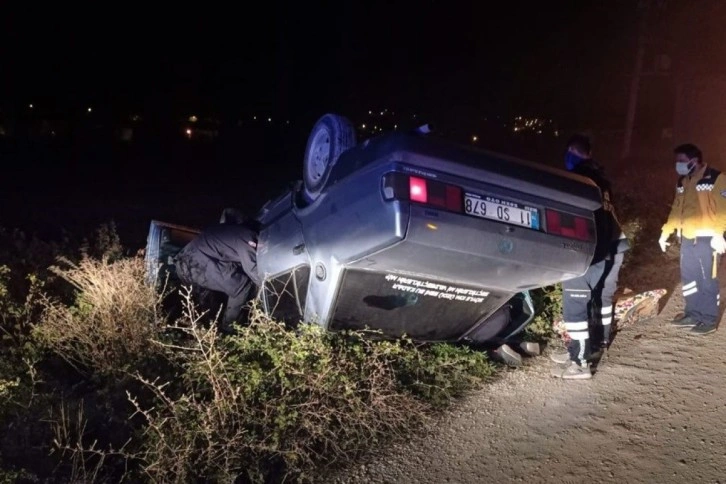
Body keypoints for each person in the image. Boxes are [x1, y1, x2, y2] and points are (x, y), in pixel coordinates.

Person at [551, 134, 630, 380]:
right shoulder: (601, 178)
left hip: (590, 251)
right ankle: (596, 345)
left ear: (572, 151)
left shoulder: (577, 179)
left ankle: (580, 362)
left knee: (576, 305)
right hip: (616, 245)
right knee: (601, 299)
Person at [659, 143, 726, 335]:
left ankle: (708, 319)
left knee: (708, 280)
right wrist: (666, 232)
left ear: (694, 160)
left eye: (681, 160)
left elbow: (723, 210)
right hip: (687, 238)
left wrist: (719, 234)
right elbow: (675, 209)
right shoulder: (683, 182)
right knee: (690, 278)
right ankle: (693, 313)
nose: (678, 164)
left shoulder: (716, 178)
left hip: (707, 238)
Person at [173, 215, 261, 333]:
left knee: (211, 298)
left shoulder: (230, 231)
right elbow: (252, 269)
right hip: (196, 264)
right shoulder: (246, 236)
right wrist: (270, 286)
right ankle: (229, 330)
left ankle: (211, 327)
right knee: (241, 286)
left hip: (187, 262)